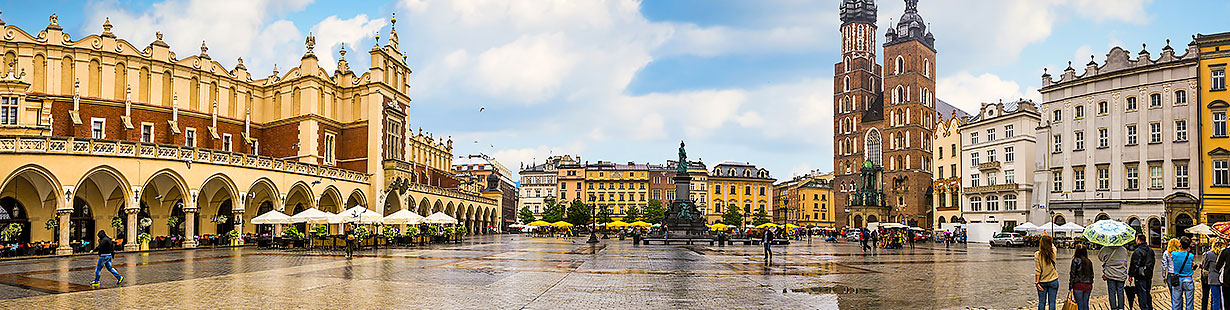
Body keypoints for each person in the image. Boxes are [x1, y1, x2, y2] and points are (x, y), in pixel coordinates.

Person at [1100, 243, 1131, 310]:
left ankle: (1113, 308)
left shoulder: (1105, 248)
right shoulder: (1124, 249)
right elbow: (1125, 260)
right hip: (1121, 274)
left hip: (1110, 274)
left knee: (1112, 292)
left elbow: (1100, 258)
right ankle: (1121, 308)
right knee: (1121, 292)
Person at [1130, 234, 1156, 310]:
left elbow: (1134, 264)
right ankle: (1150, 307)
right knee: (1147, 292)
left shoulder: (1137, 251)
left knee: (1141, 294)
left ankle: (1144, 308)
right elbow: (1153, 262)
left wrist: (1131, 275)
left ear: (1138, 241)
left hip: (1140, 275)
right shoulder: (1150, 250)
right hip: (1148, 275)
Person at [1036, 235, 1060, 310]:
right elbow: (1053, 246)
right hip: (1053, 280)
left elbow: (1038, 270)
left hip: (1042, 281)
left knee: (1041, 302)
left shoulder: (1037, 255)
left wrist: (1037, 282)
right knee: (1052, 302)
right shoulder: (1053, 252)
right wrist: (1047, 237)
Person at [1173, 237, 1197, 310]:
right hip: (1188, 279)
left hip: (1177, 279)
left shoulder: (1174, 254)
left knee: (1176, 302)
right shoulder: (1191, 256)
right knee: (1189, 303)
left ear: (1180, 244)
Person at [1201, 240, 1224, 310]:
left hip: (1213, 279)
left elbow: (1205, 266)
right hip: (1223, 278)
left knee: (1215, 299)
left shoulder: (1209, 254)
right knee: (1222, 299)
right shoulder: (1224, 253)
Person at [1072, 244, 1095, 310]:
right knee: (1085, 304)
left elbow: (1072, 274)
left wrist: (1070, 286)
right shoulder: (1089, 261)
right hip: (1087, 285)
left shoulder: (1075, 260)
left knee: (1079, 305)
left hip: (1078, 285)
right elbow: (1092, 275)